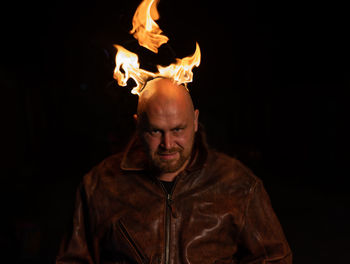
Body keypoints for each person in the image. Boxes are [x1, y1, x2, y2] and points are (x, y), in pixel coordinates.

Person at [56, 78, 292, 263]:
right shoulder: (99, 185)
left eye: (178, 129)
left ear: (196, 121)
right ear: (138, 125)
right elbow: (73, 259)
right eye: (155, 131)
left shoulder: (238, 184)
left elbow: (274, 257)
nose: (168, 144)